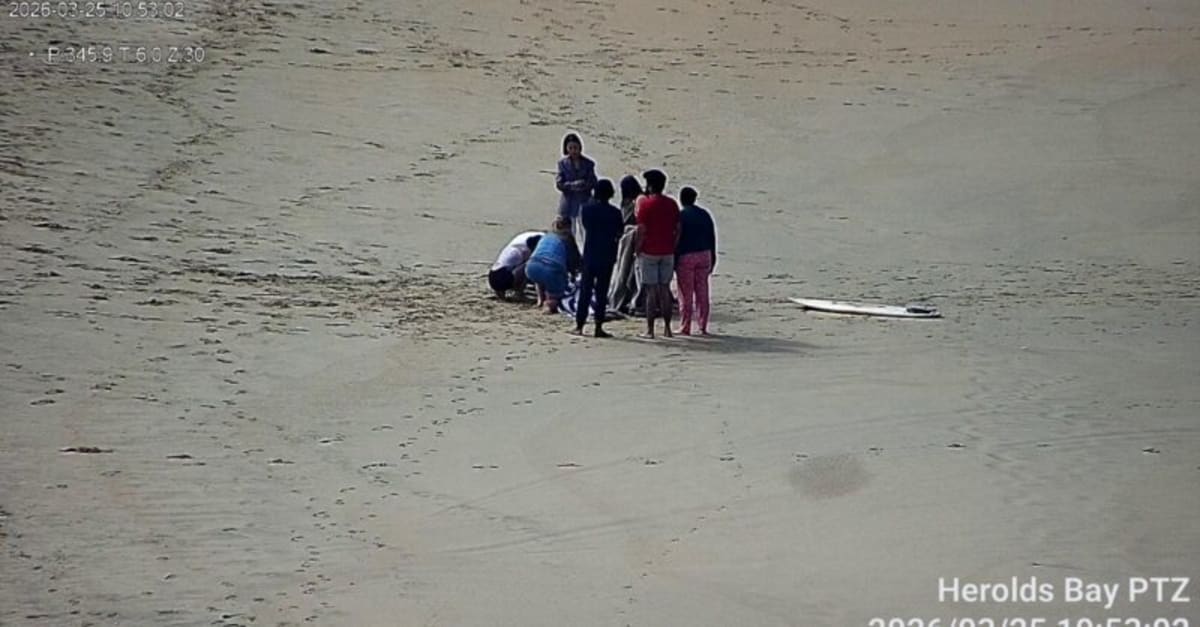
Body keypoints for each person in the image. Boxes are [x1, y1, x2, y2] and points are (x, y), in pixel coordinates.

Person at [634, 169, 680, 338]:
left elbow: (642, 230)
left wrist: (637, 249)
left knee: (651, 292)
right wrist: (673, 245)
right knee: (665, 289)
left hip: (650, 251)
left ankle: (650, 330)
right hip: (667, 251)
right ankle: (667, 329)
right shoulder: (672, 204)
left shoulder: (646, 205)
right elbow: (678, 228)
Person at [574, 179, 623, 337]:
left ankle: (579, 325)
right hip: (607, 255)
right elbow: (619, 232)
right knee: (602, 292)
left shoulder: (587, 209)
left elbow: (586, 226)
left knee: (585, 290)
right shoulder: (615, 212)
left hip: (590, 254)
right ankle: (598, 326)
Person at [674, 186, 717, 335]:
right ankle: (702, 325)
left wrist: (674, 257)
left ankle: (685, 326)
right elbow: (712, 236)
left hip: (686, 256)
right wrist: (713, 256)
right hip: (705, 254)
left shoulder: (681, 216)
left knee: (686, 294)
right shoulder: (705, 214)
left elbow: (677, 238)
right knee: (702, 292)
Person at [525, 217, 579, 314]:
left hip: (531, 265)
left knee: (539, 280)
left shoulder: (546, 236)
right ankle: (548, 304)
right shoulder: (567, 241)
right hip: (552, 268)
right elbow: (572, 263)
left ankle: (540, 299)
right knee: (555, 291)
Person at [555, 132, 597, 249]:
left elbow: (593, 181)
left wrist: (583, 185)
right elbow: (559, 183)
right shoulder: (562, 164)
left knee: (586, 230)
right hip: (568, 202)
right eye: (570, 148)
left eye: (575, 148)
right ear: (566, 149)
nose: (573, 151)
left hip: (584, 200)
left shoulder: (589, 164)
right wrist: (573, 185)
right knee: (568, 231)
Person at [609, 175, 643, 314]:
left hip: (631, 241)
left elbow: (626, 221)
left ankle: (628, 300)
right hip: (633, 240)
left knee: (627, 273)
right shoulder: (636, 201)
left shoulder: (632, 203)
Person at [488, 231, 543, 300]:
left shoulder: (535, 240)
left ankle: (513, 290)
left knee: (531, 265)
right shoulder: (540, 242)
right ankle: (518, 291)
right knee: (530, 266)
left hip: (494, 275)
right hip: (504, 275)